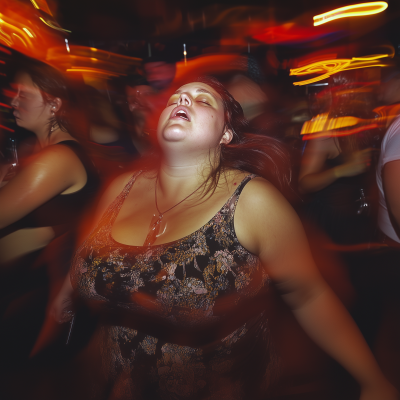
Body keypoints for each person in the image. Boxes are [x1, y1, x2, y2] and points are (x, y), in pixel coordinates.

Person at [52, 76, 397, 400]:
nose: (183, 98)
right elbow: (91, 249)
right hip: (115, 383)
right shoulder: (120, 188)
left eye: (203, 100)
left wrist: (372, 378)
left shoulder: (252, 201)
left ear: (226, 135)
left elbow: (307, 293)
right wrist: (67, 292)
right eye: (175, 97)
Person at [0, 58, 98, 369]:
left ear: (54, 104)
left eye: (23, 95)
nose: (12, 102)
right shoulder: (37, 151)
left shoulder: (57, 159)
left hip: (33, 298)